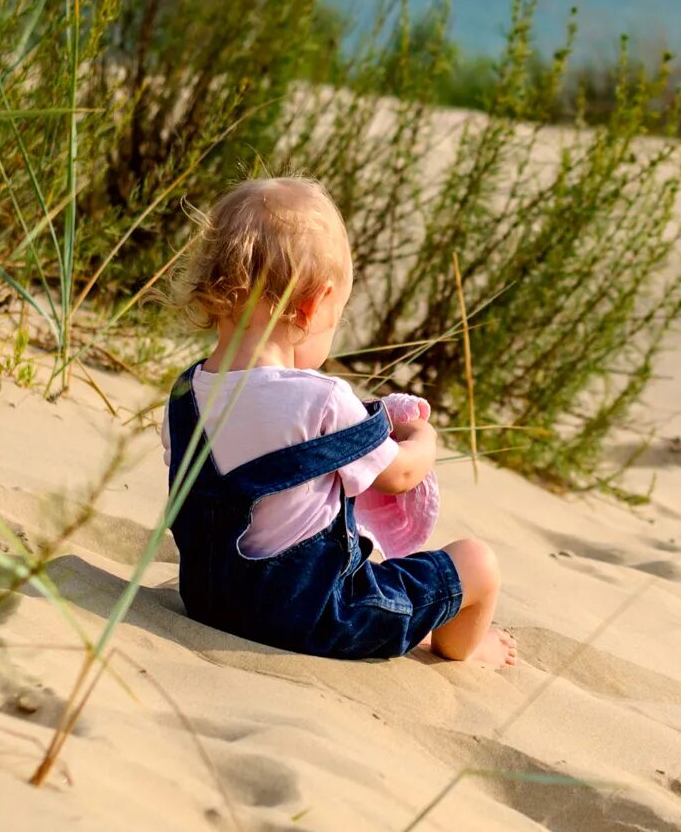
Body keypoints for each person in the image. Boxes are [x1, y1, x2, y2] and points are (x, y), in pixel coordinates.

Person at [159, 176, 516, 667]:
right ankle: (464, 648)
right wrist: (421, 436)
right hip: (316, 618)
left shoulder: (185, 397)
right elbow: (401, 475)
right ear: (311, 305)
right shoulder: (325, 399)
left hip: (206, 599)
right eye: (337, 313)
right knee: (478, 562)